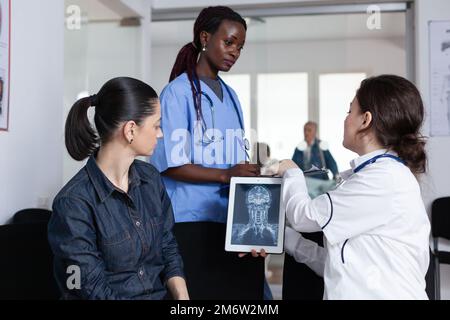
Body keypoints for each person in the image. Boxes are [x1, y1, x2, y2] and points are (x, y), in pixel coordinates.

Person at [279, 75, 431, 299]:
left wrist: (291, 172)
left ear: (365, 120)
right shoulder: (378, 175)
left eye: (350, 111)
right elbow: (341, 267)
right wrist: (281, 238)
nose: (346, 119)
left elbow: (304, 216)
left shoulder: (382, 180)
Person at [150, 6, 265, 299]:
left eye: (240, 46)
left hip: (233, 223)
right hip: (190, 224)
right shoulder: (177, 93)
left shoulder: (233, 97)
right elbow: (171, 165)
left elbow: (235, 159)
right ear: (205, 37)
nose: (235, 52)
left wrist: (250, 171)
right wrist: (228, 174)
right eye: (229, 42)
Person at [48, 77, 189, 300]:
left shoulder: (150, 179)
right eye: (156, 125)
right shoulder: (73, 203)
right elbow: (90, 288)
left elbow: (167, 245)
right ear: (131, 130)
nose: (160, 134)